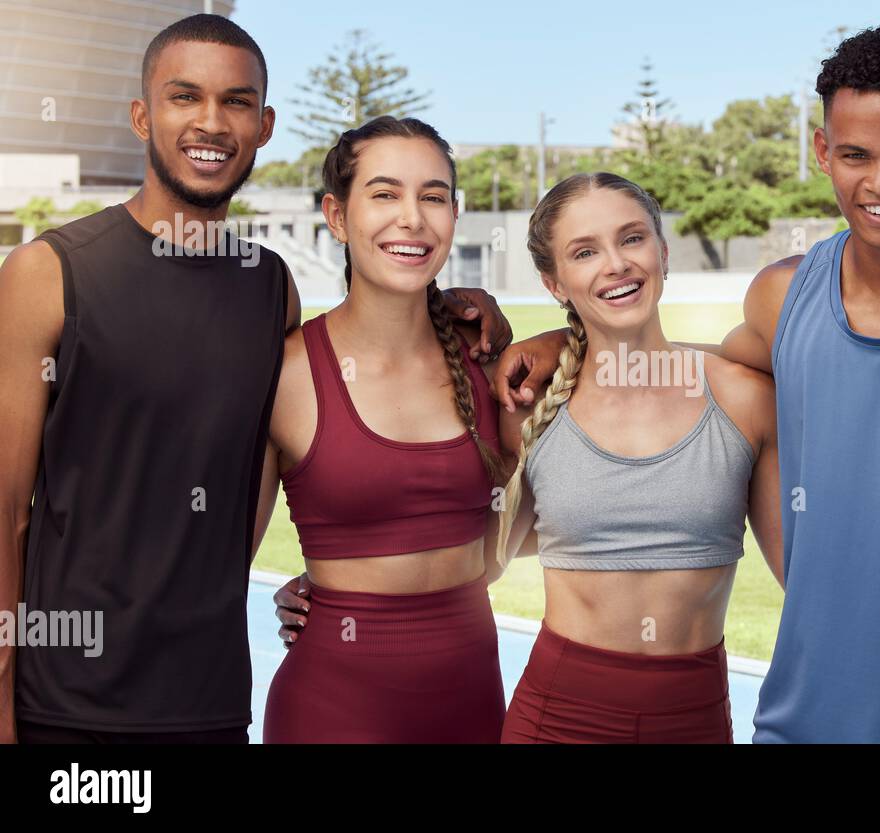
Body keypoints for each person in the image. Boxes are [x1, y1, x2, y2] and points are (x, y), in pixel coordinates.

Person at [493, 26, 880, 742]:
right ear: (824, 153)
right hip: (794, 725)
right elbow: (701, 361)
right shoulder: (782, 298)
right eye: (856, 155)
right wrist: (573, 341)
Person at [0, 15, 506, 744]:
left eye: (236, 102)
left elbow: (281, 467)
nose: (211, 121)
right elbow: (7, 508)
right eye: (184, 97)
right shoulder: (47, 274)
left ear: (264, 125)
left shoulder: (268, 289)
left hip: (210, 703)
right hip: (68, 706)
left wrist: (330, 584)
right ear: (142, 114)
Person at [492, 172, 781, 743]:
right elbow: (481, 557)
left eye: (631, 239)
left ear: (663, 252)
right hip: (553, 721)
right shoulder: (529, 407)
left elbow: (809, 578)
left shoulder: (746, 399)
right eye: (584, 252)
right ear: (554, 283)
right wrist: (328, 587)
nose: (616, 264)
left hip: (694, 721)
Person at [258, 116, 513, 743]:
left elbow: (526, 525)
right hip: (332, 713)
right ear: (337, 216)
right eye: (384, 193)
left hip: (475, 707)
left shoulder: (488, 361)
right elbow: (213, 555)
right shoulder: (284, 372)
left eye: (432, 197)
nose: (412, 218)